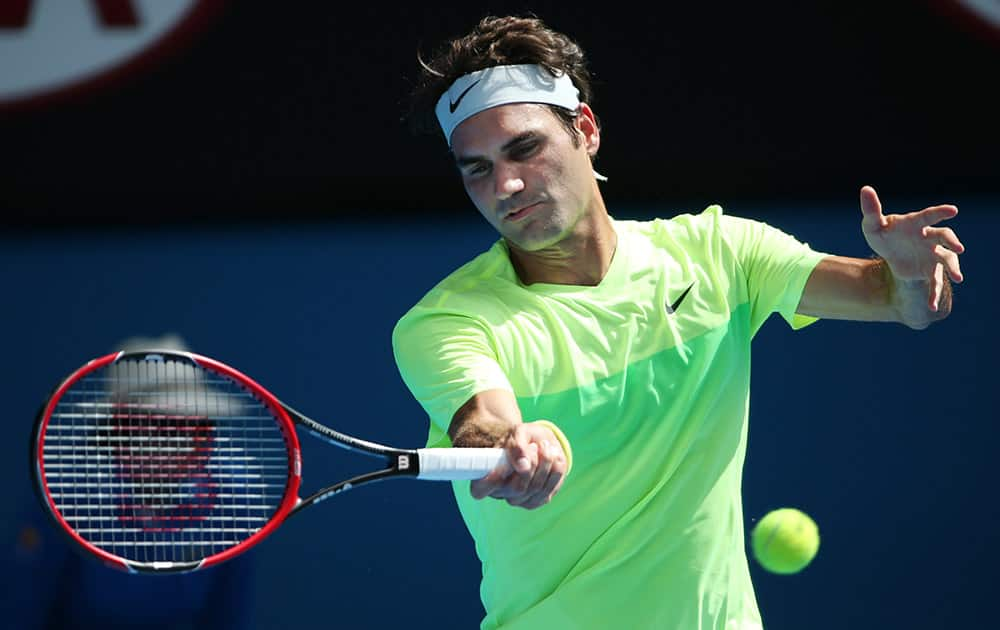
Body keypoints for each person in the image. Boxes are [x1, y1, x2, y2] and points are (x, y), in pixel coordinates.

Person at [391, 15, 965, 630]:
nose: (504, 183)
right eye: (475, 168)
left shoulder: (720, 252)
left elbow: (899, 302)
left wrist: (907, 275)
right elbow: (481, 420)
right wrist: (514, 445)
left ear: (584, 130)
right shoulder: (445, 321)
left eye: (524, 147)